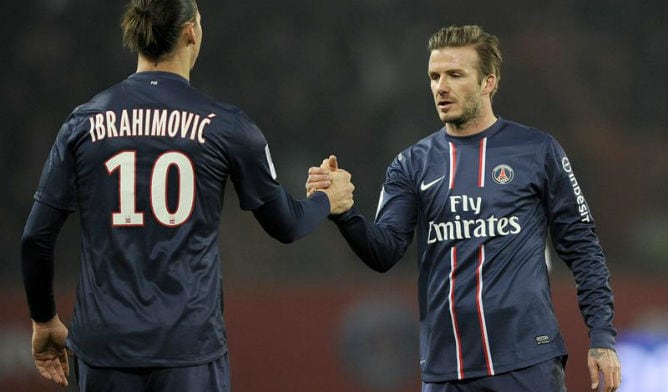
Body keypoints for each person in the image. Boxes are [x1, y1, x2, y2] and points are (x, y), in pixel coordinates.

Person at [20, 0, 354, 390]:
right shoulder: (226, 125)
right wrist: (327, 200)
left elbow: (35, 238)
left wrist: (44, 320)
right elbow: (286, 225)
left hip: (104, 349)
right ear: (191, 32)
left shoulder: (83, 122)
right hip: (188, 350)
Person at [308, 25, 621, 391]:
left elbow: (583, 246)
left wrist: (602, 337)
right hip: (447, 368)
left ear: (488, 82)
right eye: (434, 76)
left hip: (526, 362)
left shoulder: (537, 151)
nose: (441, 86)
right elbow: (384, 252)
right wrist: (344, 213)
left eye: (455, 75)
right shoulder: (411, 164)